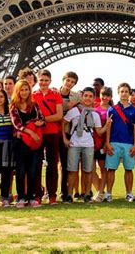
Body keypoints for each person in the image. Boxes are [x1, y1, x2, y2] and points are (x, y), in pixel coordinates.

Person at [62, 87, 109, 203]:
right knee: (72, 170)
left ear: (94, 99)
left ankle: (87, 194)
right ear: (82, 97)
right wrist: (65, 139)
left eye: (90, 96)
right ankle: (69, 194)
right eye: (86, 96)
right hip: (74, 143)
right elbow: (62, 124)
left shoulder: (95, 114)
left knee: (88, 171)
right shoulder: (74, 111)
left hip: (88, 144)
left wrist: (107, 125)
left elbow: (98, 131)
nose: (88, 98)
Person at [10, 80, 45, 208]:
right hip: (20, 142)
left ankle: (30, 197)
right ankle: (20, 197)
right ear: (18, 91)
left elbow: (42, 119)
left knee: (32, 171)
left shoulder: (34, 105)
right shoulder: (14, 106)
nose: (24, 92)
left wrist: (35, 122)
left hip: (34, 143)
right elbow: (17, 125)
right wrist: (32, 131)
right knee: (20, 171)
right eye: (22, 90)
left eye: (26, 89)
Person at [104, 82, 135, 202]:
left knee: (129, 169)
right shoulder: (112, 109)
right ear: (118, 93)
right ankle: (108, 193)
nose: (124, 94)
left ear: (129, 93)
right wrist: (107, 142)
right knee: (111, 169)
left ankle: (129, 193)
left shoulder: (134, 111)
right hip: (114, 142)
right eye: (122, 91)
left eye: (126, 91)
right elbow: (108, 126)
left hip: (129, 143)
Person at [33, 69, 63, 205]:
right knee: (37, 165)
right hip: (38, 134)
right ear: (37, 81)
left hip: (52, 133)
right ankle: (37, 195)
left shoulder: (56, 94)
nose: (44, 83)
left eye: (46, 80)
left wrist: (43, 120)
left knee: (52, 165)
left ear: (50, 81)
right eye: (41, 80)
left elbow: (59, 115)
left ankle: (52, 195)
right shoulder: (33, 95)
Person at [59, 71, 81, 202]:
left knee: (65, 164)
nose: (70, 84)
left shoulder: (77, 97)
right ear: (63, 80)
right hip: (51, 130)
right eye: (68, 80)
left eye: (73, 82)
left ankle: (64, 191)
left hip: (68, 132)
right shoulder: (53, 94)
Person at [93, 86, 112, 202]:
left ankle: (100, 192)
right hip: (94, 141)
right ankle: (100, 191)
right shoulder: (95, 109)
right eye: (103, 95)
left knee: (103, 168)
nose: (104, 97)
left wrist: (107, 143)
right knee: (89, 168)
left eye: (107, 95)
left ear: (110, 97)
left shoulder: (112, 110)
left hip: (104, 143)